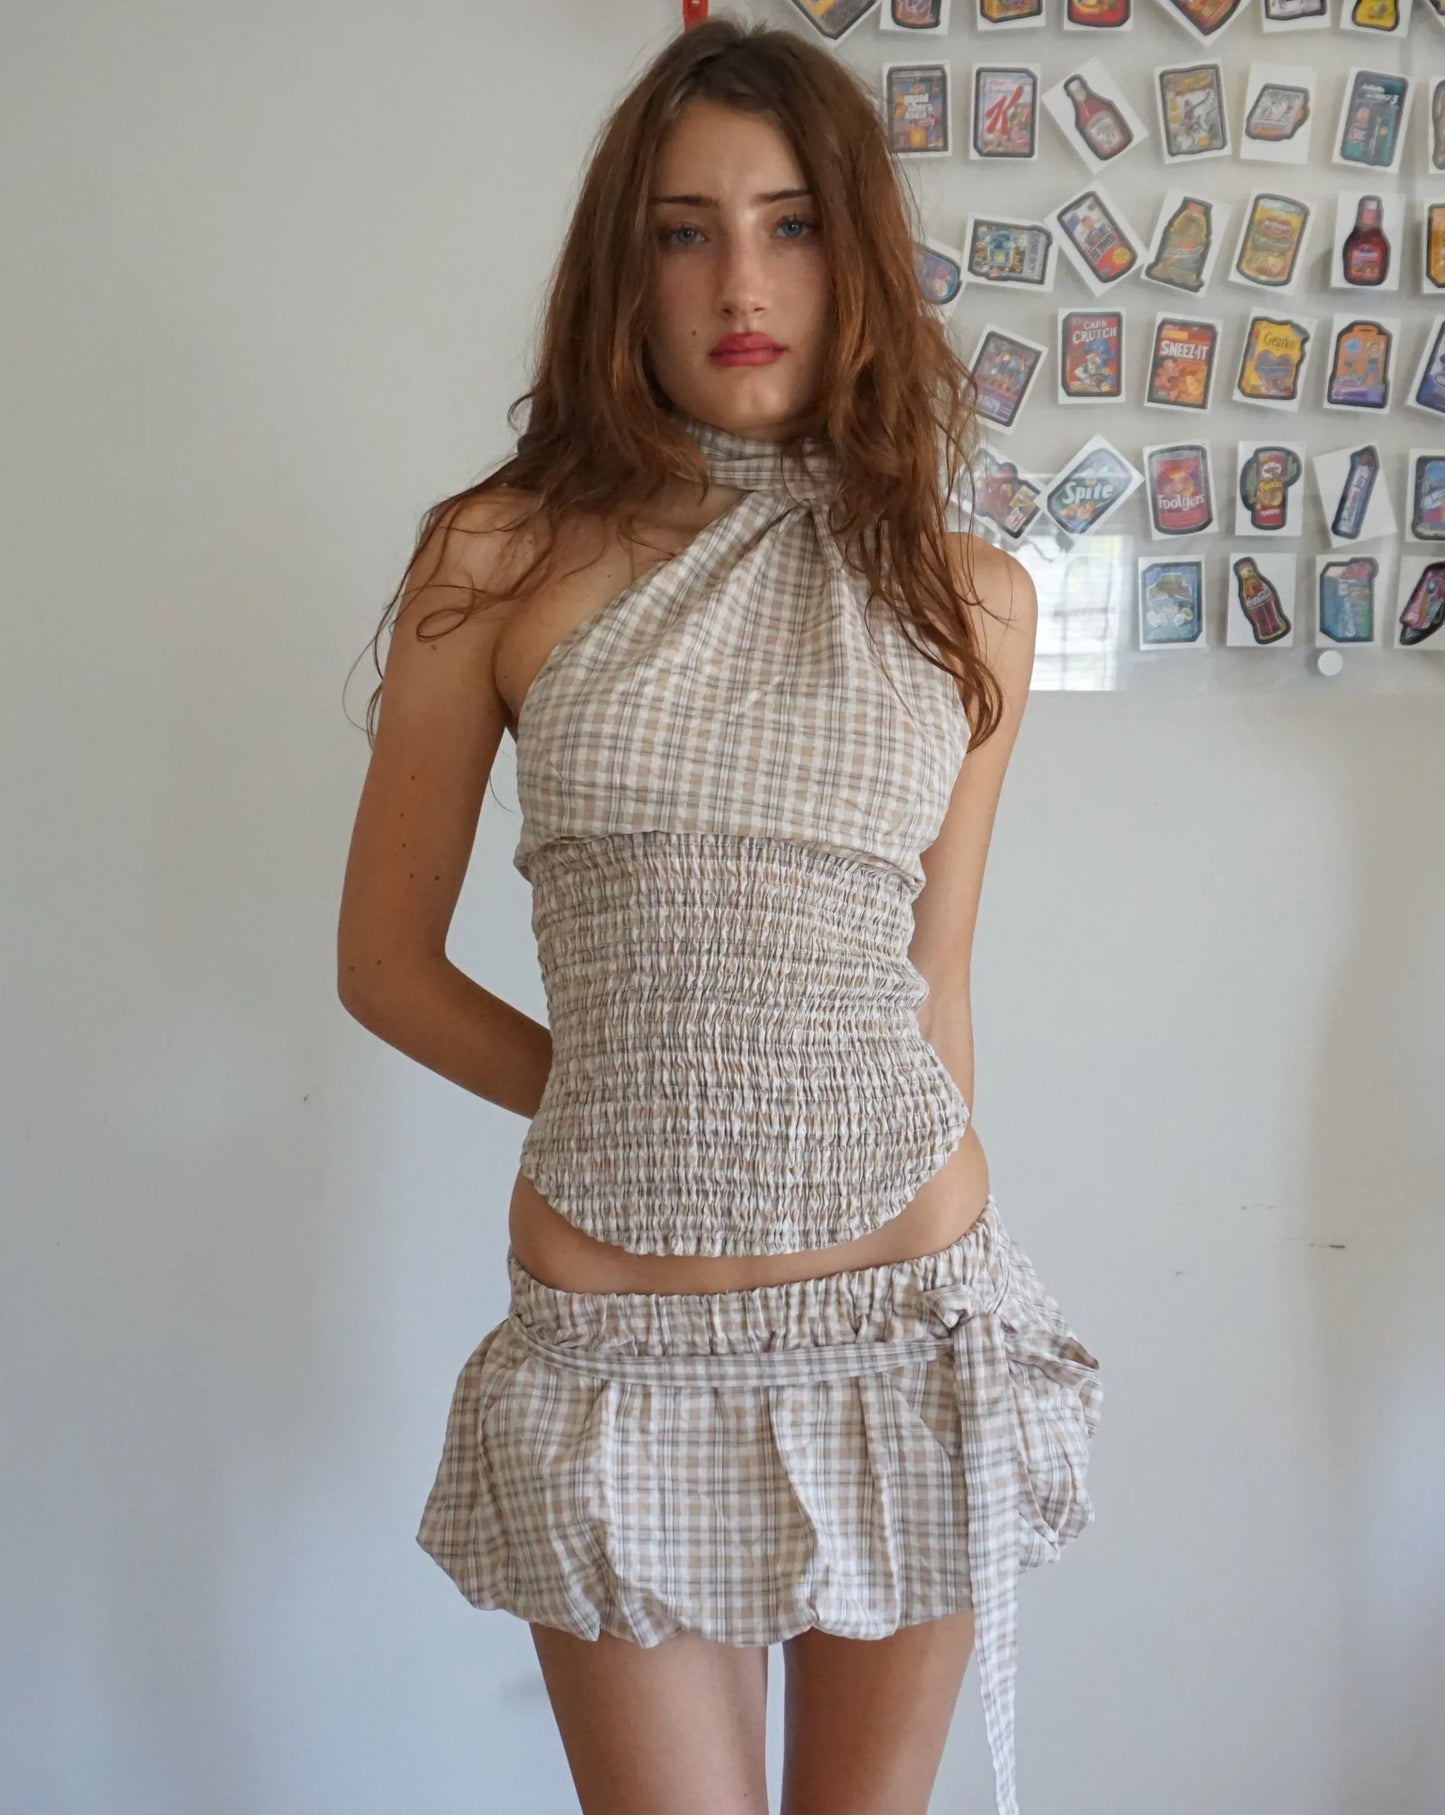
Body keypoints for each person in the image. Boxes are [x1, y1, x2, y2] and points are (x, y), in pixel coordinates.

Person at [337, 17, 1103, 1815]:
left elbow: (934, 980)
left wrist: (805, 1112)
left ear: (858, 258)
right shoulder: (495, 556)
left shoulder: (972, 598)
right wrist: (641, 1099)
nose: (738, 278)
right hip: (619, 1344)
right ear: (626, 265)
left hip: (911, 1319)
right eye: (684, 229)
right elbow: (382, 966)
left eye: (787, 222)